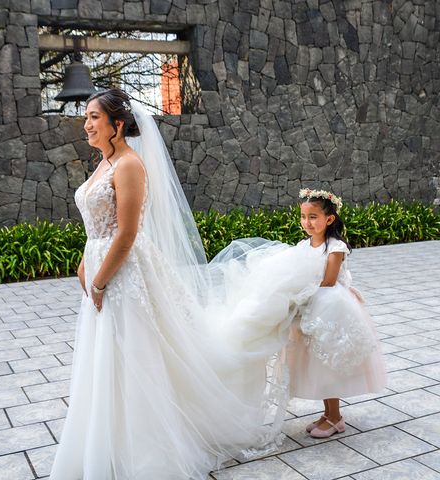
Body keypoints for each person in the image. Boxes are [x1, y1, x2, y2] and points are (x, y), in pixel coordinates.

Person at [49, 89, 270, 480]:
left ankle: (146, 456)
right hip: (100, 270)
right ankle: (108, 443)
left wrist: (99, 282)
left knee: (135, 358)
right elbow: (98, 227)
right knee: (106, 358)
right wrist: (84, 265)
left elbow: (128, 233)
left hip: (123, 274)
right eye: (86, 117)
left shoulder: (129, 165)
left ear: (118, 124)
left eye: (94, 117)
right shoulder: (104, 163)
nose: (86, 124)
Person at [289, 188, 386, 438]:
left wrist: (300, 289)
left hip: (331, 309)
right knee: (315, 363)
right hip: (311, 307)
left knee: (327, 364)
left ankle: (335, 417)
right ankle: (328, 413)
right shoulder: (303, 245)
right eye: (303, 216)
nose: (307, 223)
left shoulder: (336, 247)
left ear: (329, 219)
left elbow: (329, 280)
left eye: (313, 217)